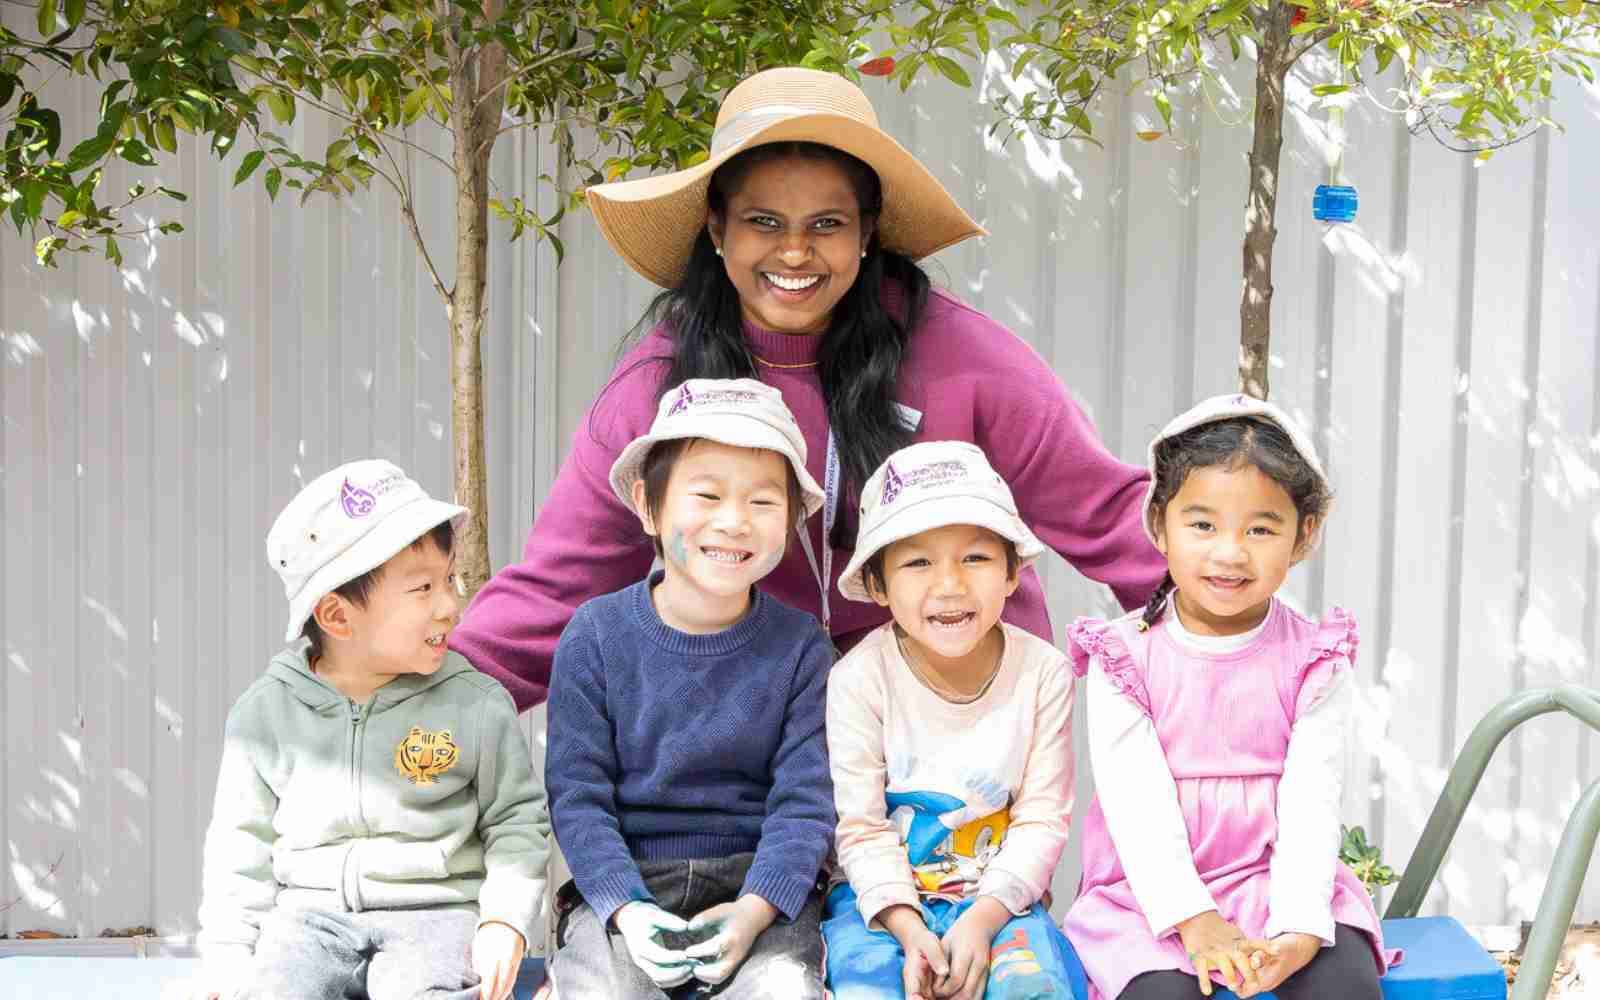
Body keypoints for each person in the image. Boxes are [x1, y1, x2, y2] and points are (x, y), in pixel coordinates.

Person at [448, 65, 1166, 712]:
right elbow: (559, 585)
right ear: (717, 229)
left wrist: (1240, 640)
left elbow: (1108, 515)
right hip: (750, 734)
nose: (795, 252)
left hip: (957, 724)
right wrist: (432, 695)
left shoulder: (965, 358)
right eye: (764, 222)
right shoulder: (658, 386)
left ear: (867, 233)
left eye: (827, 224)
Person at [1061, 395, 1400, 1000]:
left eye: (1261, 529)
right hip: (1148, 896)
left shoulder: (1313, 659)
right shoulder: (1124, 657)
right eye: (1202, 524)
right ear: (1158, 524)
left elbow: (1311, 800)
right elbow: (1136, 802)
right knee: (1163, 995)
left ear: (1304, 535)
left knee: (1344, 987)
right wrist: (1193, 918)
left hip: (1277, 880)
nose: (1229, 552)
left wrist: (1297, 926)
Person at [190, 460, 549, 1000]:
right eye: (423, 588)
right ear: (336, 617)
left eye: (449, 579)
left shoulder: (476, 704)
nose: (450, 606)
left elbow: (516, 821)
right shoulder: (264, 716)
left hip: (438, 916)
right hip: (307, 922)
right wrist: (227, 957)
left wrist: (505, 920)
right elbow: (240, 846)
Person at [544, 379, 836, 998]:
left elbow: (805, 805)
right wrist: (625, 907)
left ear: (791, 519)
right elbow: (578, 799)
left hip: (759, 887)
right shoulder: (595, 638)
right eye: (705, 495)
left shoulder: (803, 648)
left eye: (762, 502)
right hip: (629, 882)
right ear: (649, 507)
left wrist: (757, 908)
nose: (733, 522)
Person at [823, 441, 1084, 1000]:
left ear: (1014, 572)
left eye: (977, 557)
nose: (950, 585)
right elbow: (862, 827)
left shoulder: (1043, 674)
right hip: (880, 905)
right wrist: (908, 925)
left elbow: (1042, 821)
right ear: (876, 584)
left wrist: (983, 919)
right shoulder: (858, 679)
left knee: (1034, 990)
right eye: (918, 562)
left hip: (999, 901)